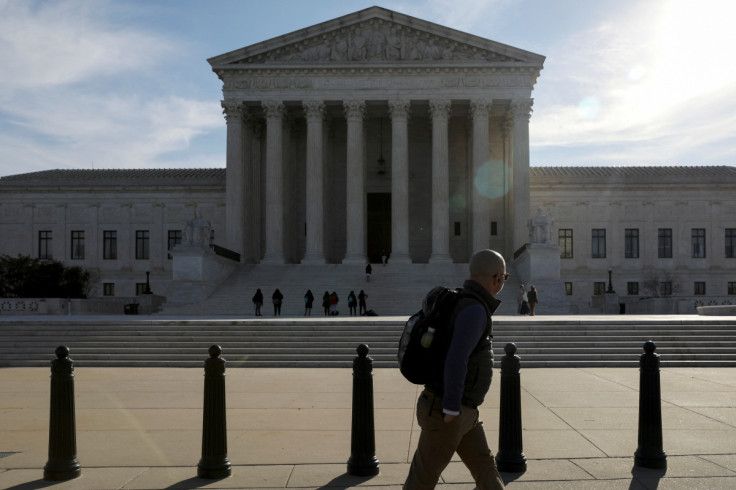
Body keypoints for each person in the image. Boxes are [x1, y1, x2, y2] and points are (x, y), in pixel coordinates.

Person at [404, 249, 507, 489]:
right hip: (449, 410)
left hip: (465, 412)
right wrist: (451, 407)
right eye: (504, 277)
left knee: (486, 470)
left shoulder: (465, 302)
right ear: (497, 278)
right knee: (421, 479)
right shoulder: (474, 310)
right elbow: (456, 358)